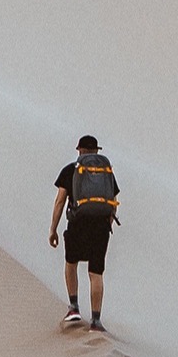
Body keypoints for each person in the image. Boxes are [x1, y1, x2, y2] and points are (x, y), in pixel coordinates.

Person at [50, 136, 119, 329]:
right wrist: (108, 223)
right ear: (97, 150)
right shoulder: (106, 173)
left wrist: (53, 229)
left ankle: (73, 308)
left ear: (79, 150)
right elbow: (113, 201)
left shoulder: (70, 170)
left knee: (71, 263)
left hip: (78, 224)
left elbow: (60, 202)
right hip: (101, 227)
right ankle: (96, 320)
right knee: (95, 273)